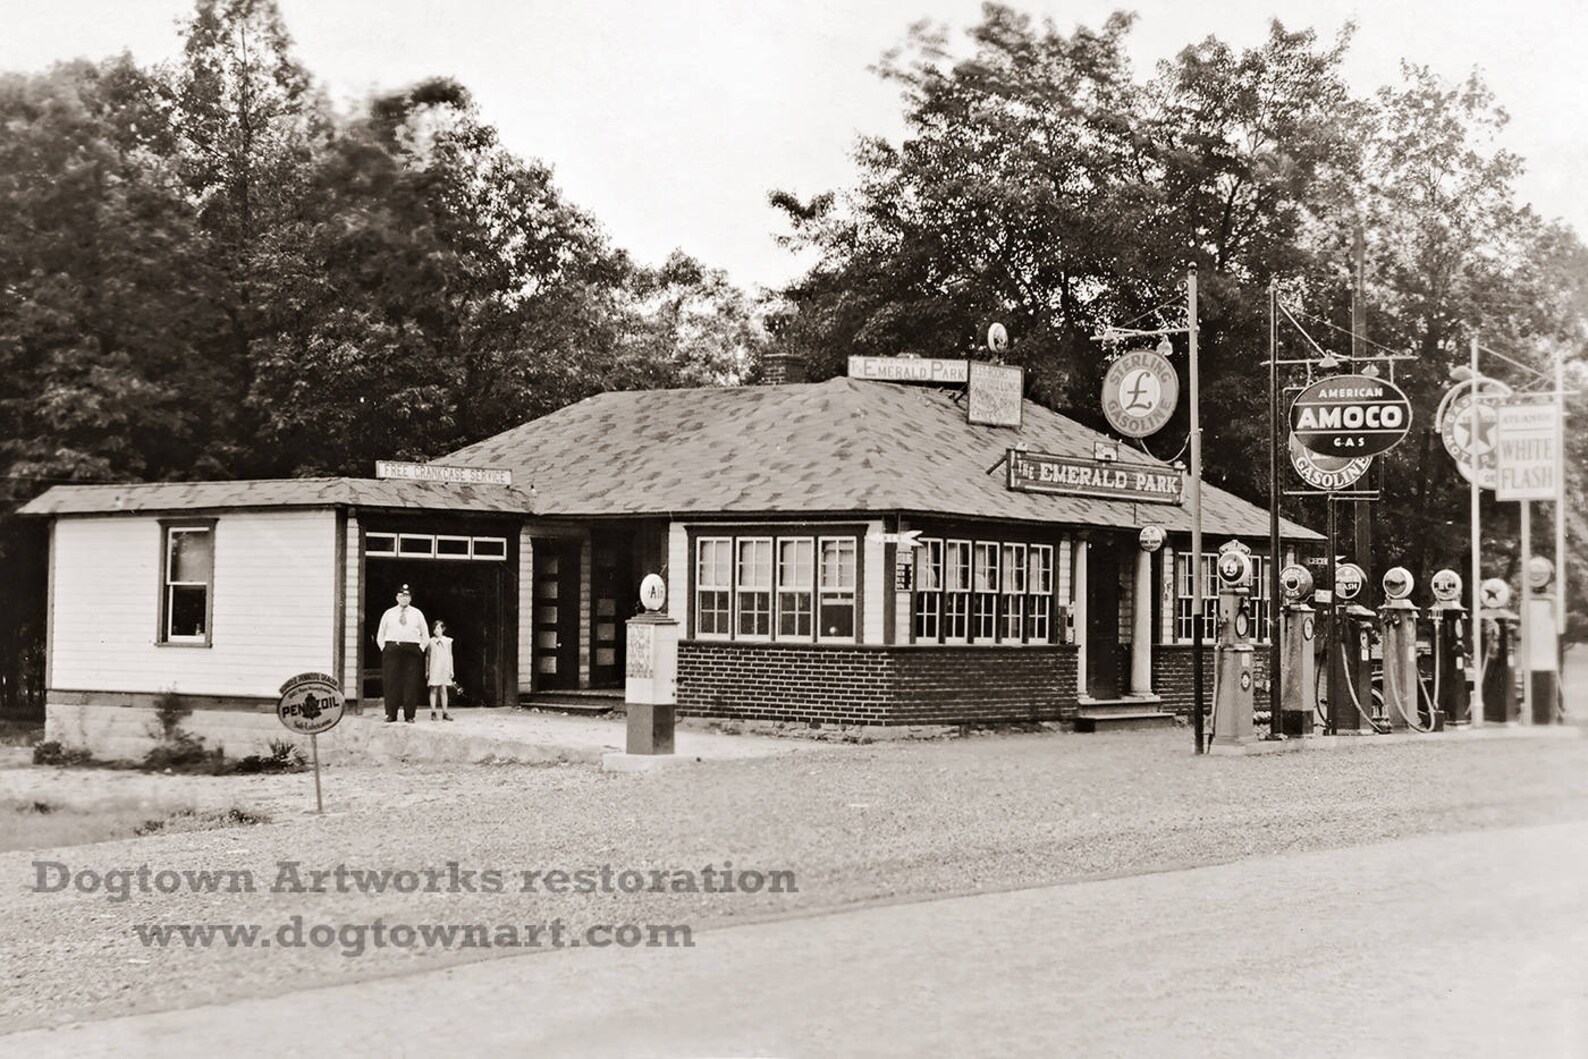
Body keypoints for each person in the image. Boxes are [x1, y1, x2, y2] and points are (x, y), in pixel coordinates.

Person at [375, 584, 428, 723]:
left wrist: (420, 648)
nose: (404, 598)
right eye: (402, 595)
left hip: (412, 651)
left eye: (407, 596)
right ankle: (391, 714)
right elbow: (380, 634)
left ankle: (409, 715)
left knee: (411, 682)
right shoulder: (389, 613)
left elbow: (425, 634)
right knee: (391, 681)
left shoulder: (417, 613)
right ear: (397, 597)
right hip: (392, 650)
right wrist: (384, 648)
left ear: (410, 598)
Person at [427, 619, 455, 721]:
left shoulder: (448, 641)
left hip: (444, 667)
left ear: (443, 629)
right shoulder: (430, 642)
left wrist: (451, 669)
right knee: (433, 689)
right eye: (434, 628)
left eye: (438, 628)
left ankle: (445, 712)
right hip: (434, 667)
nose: (436, 630)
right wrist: (427, 670)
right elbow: (428, 656)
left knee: (443, 689)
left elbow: (450, 655)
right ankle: (433, 712)